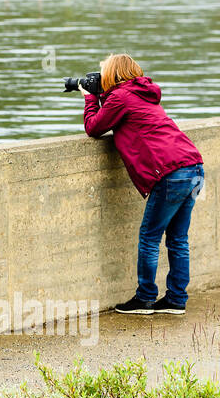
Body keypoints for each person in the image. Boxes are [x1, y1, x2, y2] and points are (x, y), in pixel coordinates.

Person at [80, 54, 204, 315]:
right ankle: (176, 299)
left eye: (103, 72)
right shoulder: (140, 94)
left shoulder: (120, 98)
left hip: (172, 173)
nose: (100, 76)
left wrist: (90, 98)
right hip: (193, 167)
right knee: (178, 238)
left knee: (149, 237)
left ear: (113, 73)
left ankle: (146, 298)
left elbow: (94, 127)